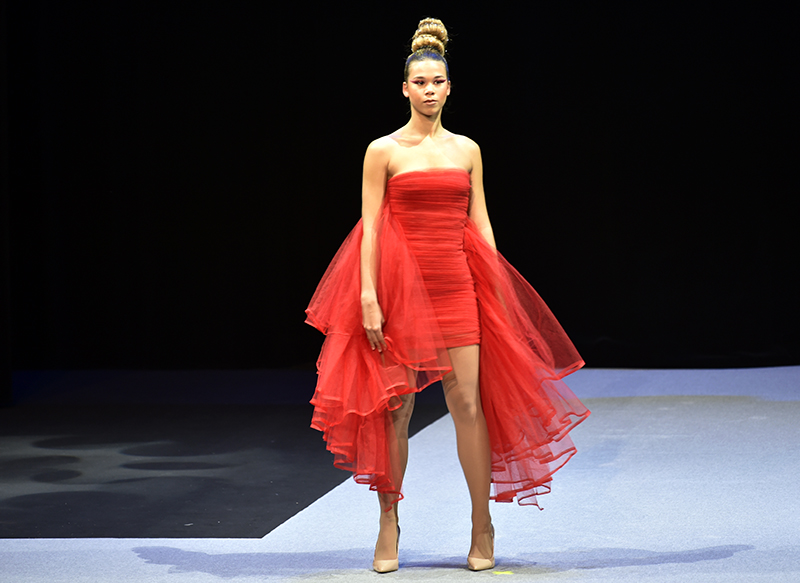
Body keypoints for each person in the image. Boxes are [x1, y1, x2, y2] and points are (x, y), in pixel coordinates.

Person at [305, 17, 589, 573]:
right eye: (420, 83)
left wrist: (499, 293)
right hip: (398, 291)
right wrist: (368, 295)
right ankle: (389, 520)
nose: (429, 90)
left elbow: (481, 224)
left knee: (468, 406)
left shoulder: (467, 150)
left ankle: (482, 523)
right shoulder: (382, 150)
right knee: (397, 408)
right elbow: (370, 227)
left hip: (458, 285)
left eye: (438, 82)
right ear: (404, 89)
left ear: (450, 87)